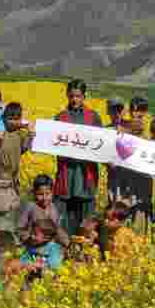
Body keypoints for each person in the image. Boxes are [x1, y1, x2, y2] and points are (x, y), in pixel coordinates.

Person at [53, 79, 104, 236]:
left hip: (85, 173)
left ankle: (86, 247)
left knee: (86, 211)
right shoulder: (60, 117)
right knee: (65, 211)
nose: (74, 100)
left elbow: (102, 142)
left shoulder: (93, 117)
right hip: (67, 172)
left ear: (84, 96)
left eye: (78, 96)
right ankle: (66, 247)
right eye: (71, 96)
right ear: (67, 96)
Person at [0, 103, 34, 248]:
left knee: (11, 211)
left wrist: (31, 134)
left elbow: (24, 148)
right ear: (4, 118)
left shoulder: (19, 135)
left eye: (17, 118)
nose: (13, 122)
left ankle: (8, 243)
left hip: (12, 180)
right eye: (10, 118)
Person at [19, 174, 68, 246]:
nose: (44, 198)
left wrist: (66, 241)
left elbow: (57, 229)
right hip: (32, 246)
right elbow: (20, 228)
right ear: (34, 193)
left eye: (47, 194)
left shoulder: (54, 208)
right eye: (40, 194)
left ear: (52, 193)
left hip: (50, 246)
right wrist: (29, 237)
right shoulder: (30, 207)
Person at [16, 218, 64, 283]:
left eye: (35, 234)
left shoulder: (54, 248)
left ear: (47, 237)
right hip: (31, 281)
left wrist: (35, 265)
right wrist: (24, 265)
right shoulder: (31, 247)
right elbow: (22, 261)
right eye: (31, 233)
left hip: (48, 282)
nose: (32, 236)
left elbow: (54, 264)